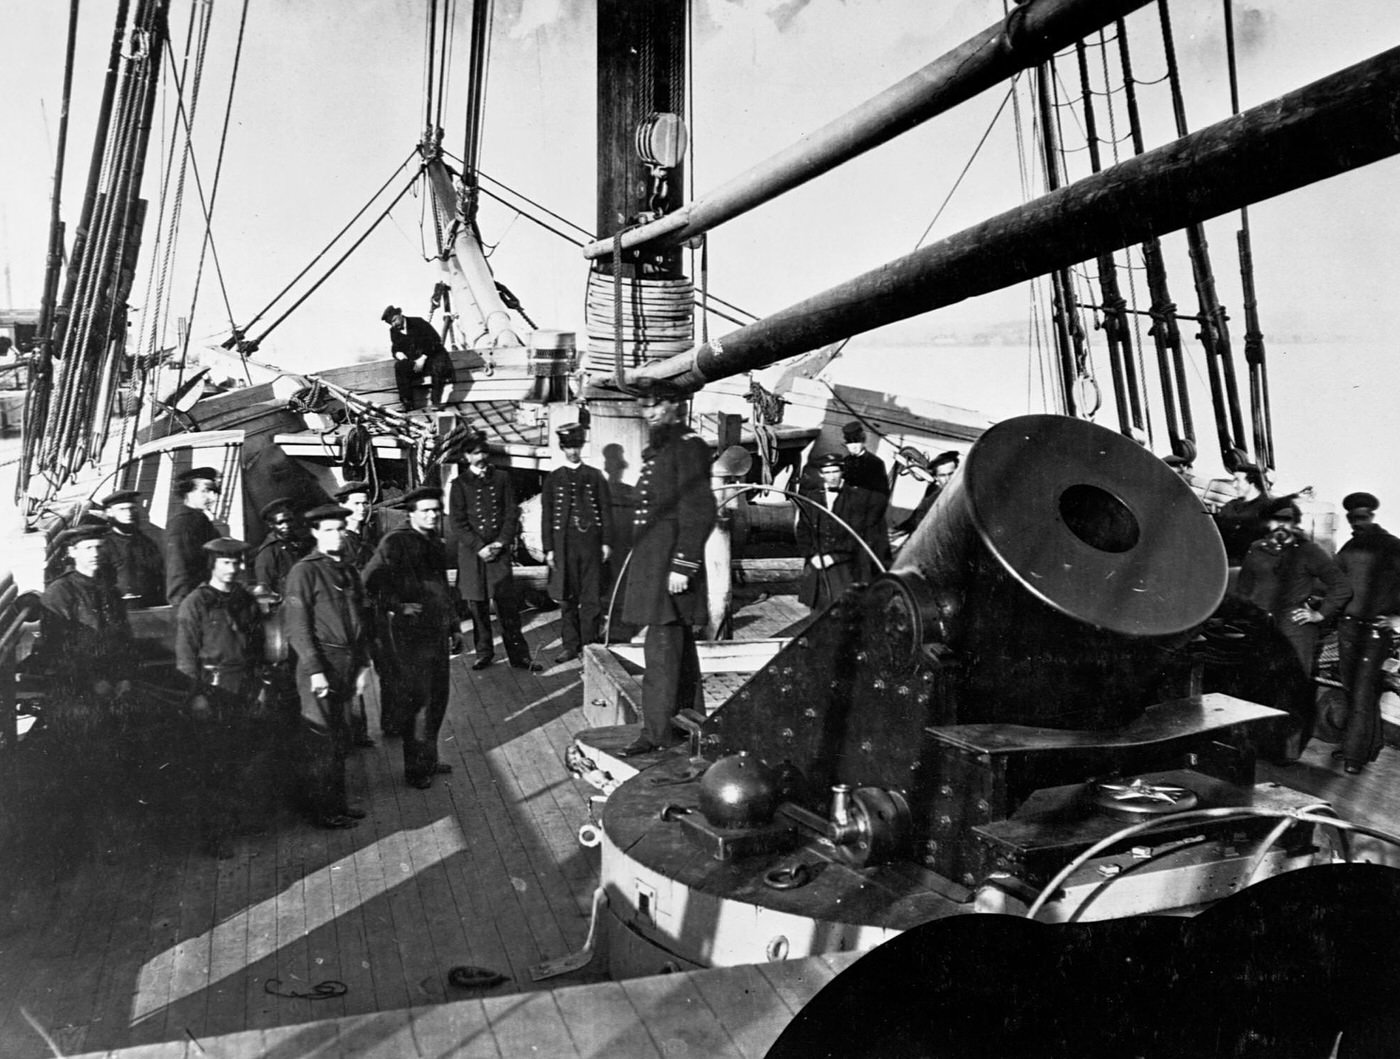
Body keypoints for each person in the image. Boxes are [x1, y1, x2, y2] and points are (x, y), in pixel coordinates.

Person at [619, 385, 717, 755]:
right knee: (676, 650)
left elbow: (699, 508)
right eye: (645, 407)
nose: (650, 413)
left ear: (676, 405)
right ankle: (689, 723)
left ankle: (657, 733)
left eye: (656, 405)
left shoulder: (687, 447)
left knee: (660, 651)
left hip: (670, 568)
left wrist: (684, 564)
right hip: (654, 564)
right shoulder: (662, 449)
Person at [1235, 497, 1352, 759]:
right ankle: (1259, 746)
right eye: (1276, 519)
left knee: (1292, 692)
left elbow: (1341, 586)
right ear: (1267, 522)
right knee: (1260, 687)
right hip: (1262, 628)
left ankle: (1286, 753)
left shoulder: (1308, 551)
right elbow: (1244, 586)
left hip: (1296, 630)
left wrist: (1319, 614)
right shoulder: (1257, 548)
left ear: (1295, 523)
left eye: (1287, 519)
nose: (1281, 525)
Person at [175, 538, 265, 857]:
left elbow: (256, 644)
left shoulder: (243, 599)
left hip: (242, 683)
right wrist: (196, 696)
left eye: (237, 562)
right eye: (226, 563)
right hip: (212, 687)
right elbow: (186, 658)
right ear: (213, 565)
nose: (233, 568)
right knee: (213, 763)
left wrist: (259, 685)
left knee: (241, 756)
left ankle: (238, 820)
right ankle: (213, 836)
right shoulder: (195, 603)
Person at [283, 504, 371, 829]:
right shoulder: (304, 572)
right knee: (319, 739)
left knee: (339, 738)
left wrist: (363, 665)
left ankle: (337, 804)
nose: (337, 536)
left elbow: (361, 620)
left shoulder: (346, 570)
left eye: (341, 529)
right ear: (316, 533)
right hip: (320, 664)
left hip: (346, 662)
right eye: (330, 530)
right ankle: (323, 811)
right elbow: (297, 627)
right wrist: (315, 669)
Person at [363, 487, 456, 789]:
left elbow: (441, 586)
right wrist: (397, 605)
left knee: (438, 698)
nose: (432, 515)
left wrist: (453, 626)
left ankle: (427, 758)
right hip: (412, 636)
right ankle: (416, 769)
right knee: (418, 700)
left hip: (436, 630)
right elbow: (370, 581)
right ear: (411, 512)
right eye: (426, 510)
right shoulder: (395, 542)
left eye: (436, 510)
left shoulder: (432, 541)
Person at [450, 432, 542, 671]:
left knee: (508, 607)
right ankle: (484, 653)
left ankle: (519, 656)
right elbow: (458, 524)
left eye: (482, 452)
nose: (479, 457)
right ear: (466, 456)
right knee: (478, 608)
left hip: (498, 554)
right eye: (474, 453)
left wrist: (501, 542)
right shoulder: (459, 486)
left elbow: (511, 513)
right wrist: (479, 547)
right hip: (473, 555)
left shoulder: (501, 478)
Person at [1329, 492, 1400, 774]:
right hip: (1348, 626)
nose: (1356, 522)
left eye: (1362, 517)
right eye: (1353, 518)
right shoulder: (1349, 547)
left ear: (1371, 516)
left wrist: (1397, 618)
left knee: (1360, 692)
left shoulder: (1393, 547)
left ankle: (1354, 757)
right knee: (1356, 690)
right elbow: (1333, 583)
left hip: (1373, 631)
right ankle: (1365, 745)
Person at [541, 423, 613, 664]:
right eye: (568, 447)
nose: (573, 451)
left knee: (591, 596)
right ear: (562, 448)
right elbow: (547, 516)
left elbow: (605, 511)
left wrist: (606, 543)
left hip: (590, 543)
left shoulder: (594, 476)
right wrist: (548, 548)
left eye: (576, 446)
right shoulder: (553, 479)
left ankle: (589, 644)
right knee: (567, 596)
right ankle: (570, 645)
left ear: (582, 447)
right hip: (564, 545)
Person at [41, 524, 135, 705]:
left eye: (99, 547)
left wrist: (125, 678)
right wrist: (94, 681)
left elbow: (124, 638)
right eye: (88, 548)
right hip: (77, 684)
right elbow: (58, 649)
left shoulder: (110, 590)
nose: (95, 554)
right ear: (72, 552)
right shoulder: (60, 592)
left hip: (115, 680)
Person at [796, 452, 886, 611]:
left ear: (842, 472)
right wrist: (811, 555)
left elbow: (858, 534)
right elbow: (803, 529)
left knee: (842, 609)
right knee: (816, 611)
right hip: (816, 564)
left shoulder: (856, 499)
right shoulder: (812, 498)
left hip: (843, 566)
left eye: (835, 471)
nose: (831, 477)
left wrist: (834, 556)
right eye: (827, 472)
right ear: (821, 474)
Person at [334, 480, 378, 746]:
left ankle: (367, 729)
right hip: (352, 616)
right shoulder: (341, 542)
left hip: (371, 612)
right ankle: (353, 734)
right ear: (343, 507)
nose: (363, 509)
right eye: (356, 504)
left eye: (365, 503)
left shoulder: (364, 535)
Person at [165, 466, 222, 608]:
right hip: (194, 604)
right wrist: (183, 606)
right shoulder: (183, 524)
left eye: (214, 491)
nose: (212, 497)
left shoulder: (201, 521)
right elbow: (178, 568)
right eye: (206, 491)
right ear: (188, 493)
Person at [382, 305, 457, 411]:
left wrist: (423, 358)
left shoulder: (418, 323)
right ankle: (407, 403)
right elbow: (395, 348)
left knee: (439, 365)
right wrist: (398, 354)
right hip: (416, 363)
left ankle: (436, 402)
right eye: (391, 323)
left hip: (431, 357)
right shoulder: (394, 331)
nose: (394, 324)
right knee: (400, 366)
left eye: (394, 320)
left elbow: (435, 341)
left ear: (400, 314)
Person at [97, 489, 165, 606]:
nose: (128, 513)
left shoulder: (147, 543)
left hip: (148, 607)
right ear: (109, 512)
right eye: (122, 509)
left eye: (132, 508)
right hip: (117, 607)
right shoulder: (103, 545)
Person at [1214, 463, 1274, 564]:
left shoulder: (1268, 510)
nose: (1234, 485)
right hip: (1220, 560)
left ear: (1252, 483)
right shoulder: (1230, 506)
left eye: (1237, 480)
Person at [252, 497, 308, 600]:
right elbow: (265, 592)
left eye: (289, 520)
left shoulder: (300, 543)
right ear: (271, 525)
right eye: (280, 522)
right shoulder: (268, 552)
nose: (286, 525)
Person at [894, 449, 959, 539]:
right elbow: (918, 518)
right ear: (936, 477)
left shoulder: (965, 495)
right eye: (942, 475)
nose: (948, 479)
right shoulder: (932, 495)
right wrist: (900, 530)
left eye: (951, 473)